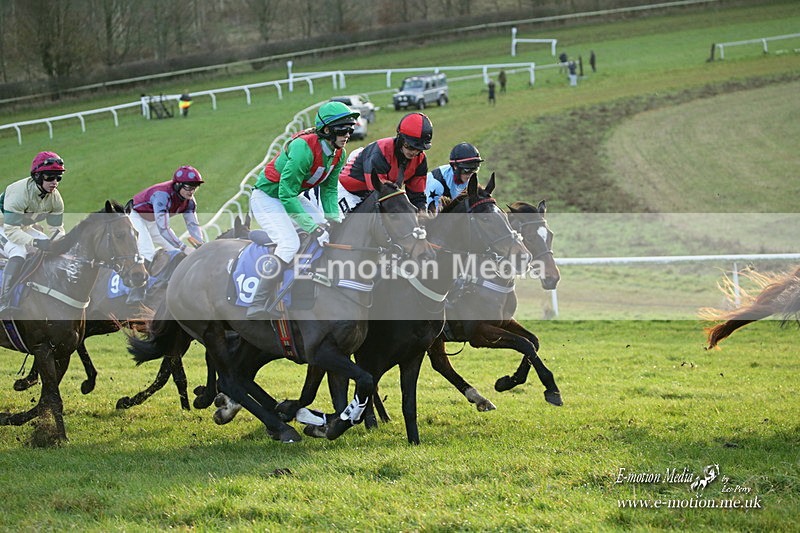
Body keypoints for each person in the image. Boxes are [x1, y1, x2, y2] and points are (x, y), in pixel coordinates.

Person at [246, 100, 359, 319]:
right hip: (267, 198)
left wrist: (335, 219)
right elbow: (285, 194)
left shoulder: (339, 154)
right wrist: (311, 227)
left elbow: (328, 191)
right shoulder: (303, 149)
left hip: (290, 196)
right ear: (327, 130)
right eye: (343, 130)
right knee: (290, 243)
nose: (348, 134)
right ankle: (257, 303)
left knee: (328, 230)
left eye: (350, 129)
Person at [127, 165, 206, 302]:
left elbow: (192, 225)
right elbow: (163, 228)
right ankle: (137, 291)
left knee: (174, 251)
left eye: (195, 187)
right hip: (136, 216)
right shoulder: (162, 195)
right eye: (188, 187)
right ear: (177, 185)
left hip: (152, 220)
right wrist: (184, 247)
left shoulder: (190, 202)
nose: (192, 191)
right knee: (148, 251)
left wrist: (200, 245)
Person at [0, 151, 66, 314]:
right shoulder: (19, 194)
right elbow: (12, 231)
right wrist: (35, 242)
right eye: (50, 177)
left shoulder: (55, 198)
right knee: (19, 251)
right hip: (6, 227)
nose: (55, 182)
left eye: (58, 177)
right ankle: (4, 299)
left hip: (22, 227)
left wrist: (62, 245)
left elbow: (57, 229)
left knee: (50, 248)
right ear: (37, 176)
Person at [338, 112, 432, 212]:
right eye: (410, 146)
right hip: (349, 192)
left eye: (419, 148)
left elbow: (417, 196)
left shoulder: (420, 160)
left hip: (377, 195)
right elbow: (379, 193)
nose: (414, 152)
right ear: (400, 139)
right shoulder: (380, 153)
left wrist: (422, 213)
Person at [425, 143, 484, 212]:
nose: (470, 175)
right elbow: (430, 218)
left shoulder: (468, 178)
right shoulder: (436, 184)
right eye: (466, 170)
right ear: (455, 167)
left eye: (474, 170)